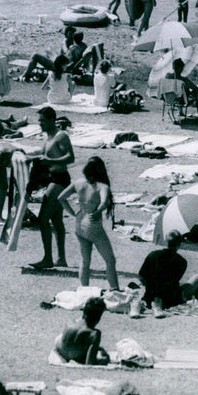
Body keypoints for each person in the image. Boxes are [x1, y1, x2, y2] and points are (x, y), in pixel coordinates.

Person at [58, 156, 120, 291]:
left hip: (80, 220)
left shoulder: (78, 182)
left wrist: (73, 213)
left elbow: (61, 198)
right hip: (92, 222)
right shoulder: (102, 186)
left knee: (85, 260)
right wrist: (98, 211)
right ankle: (114, 289)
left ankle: (84, 289)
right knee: (110, 260)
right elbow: (104, 202)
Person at [30, 107, 75, 270]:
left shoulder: (60, 136)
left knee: (43, 219)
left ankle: (48, 258)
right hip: (53, 179)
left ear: (51, 120)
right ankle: (61, 258)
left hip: (60, 179)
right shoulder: (47, 136)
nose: (39, 124)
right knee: (56, 220)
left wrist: (49, 161)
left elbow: (70, 157)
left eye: (42, 120)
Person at [138, 231, 198, 318]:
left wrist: (151, 285)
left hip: (150, 298)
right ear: (179, 244)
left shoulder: (153, 255)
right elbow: (173, 280)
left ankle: (157, 302)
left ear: (166, 241)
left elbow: (141, 277)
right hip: (172, 299)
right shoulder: (181, 261)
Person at [54, 297, 110, 365]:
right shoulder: (94, 334)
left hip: (62, 352)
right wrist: (105, 359)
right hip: (76, 357)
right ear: (99, 318)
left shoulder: (70, 323)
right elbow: (90, 362)